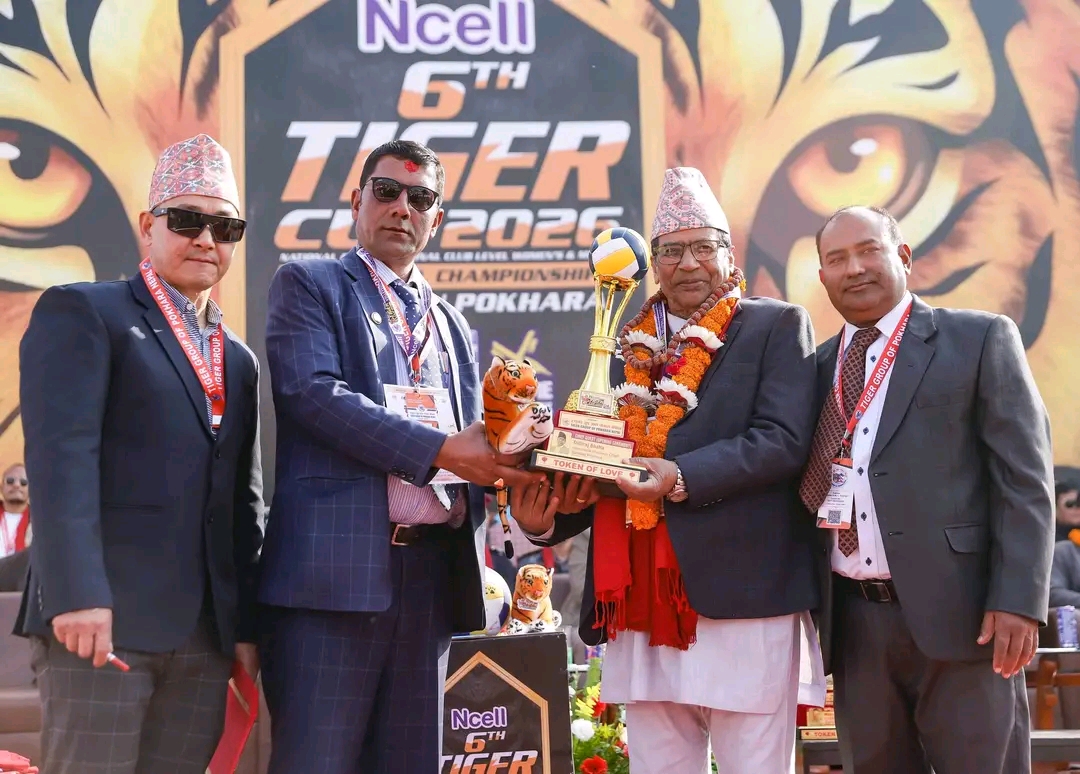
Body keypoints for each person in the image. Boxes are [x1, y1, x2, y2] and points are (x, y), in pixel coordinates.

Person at [511, 167, 824, 774]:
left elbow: (783, 441)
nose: (688, 264)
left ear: (728, 255)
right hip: (637, 604)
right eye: (671, 251)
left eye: (703, 246)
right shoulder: (624, 345)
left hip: (740, 597)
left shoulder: (776, 324)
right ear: (654, 265)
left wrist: (678, 475)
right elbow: (602, 466)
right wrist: (545, 519)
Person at [257, 139, 543, 774]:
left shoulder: (451, 324)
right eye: (386, 192)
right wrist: (441, 451)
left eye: (420, 198)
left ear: (436, 218)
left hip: (434, 581)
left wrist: (528, 472)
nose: (401, 208)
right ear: (356, 202)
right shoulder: (310, 284)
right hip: (335, 581)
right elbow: (312, 394)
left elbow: (479, 444)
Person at [16, 134, 265, 774]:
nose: (206, 239)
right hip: (101, 624)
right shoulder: (86, 312)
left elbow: (242, 505)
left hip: (203, 641)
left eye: (225, 227)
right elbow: (61, 464)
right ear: (148, 226)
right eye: (186, 221)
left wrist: (243, 628)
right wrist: (75, 595)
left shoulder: (238, 360)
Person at [805, 205, 1054, 774]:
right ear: (822, 276)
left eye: (868, 250)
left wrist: (1018, 600)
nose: (854, 268)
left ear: (904, 256)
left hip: (968, 618)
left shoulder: (978, 338)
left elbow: (1025, 479)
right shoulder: (815, 369)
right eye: (837, 259)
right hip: (855, 627)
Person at [0, 463, 31, 559]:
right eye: (10, 481)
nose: (17, 485)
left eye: (24, 482)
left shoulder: (39, 521)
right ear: (1, 488)